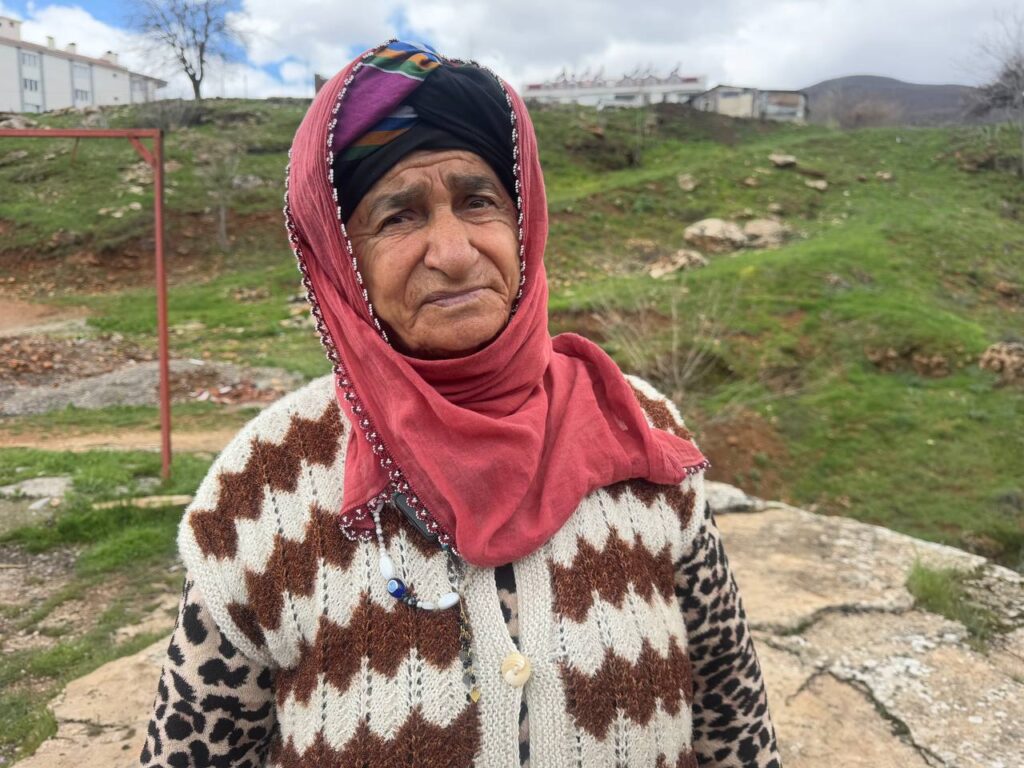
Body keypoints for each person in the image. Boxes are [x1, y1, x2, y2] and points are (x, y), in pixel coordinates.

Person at [140, 41, 779, 768]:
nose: (452, 252)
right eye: (399, 217)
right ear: (342, 261)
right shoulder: (261, 491)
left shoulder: (641, 430)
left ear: (523, 223)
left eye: (478, 202)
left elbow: (730, 702)